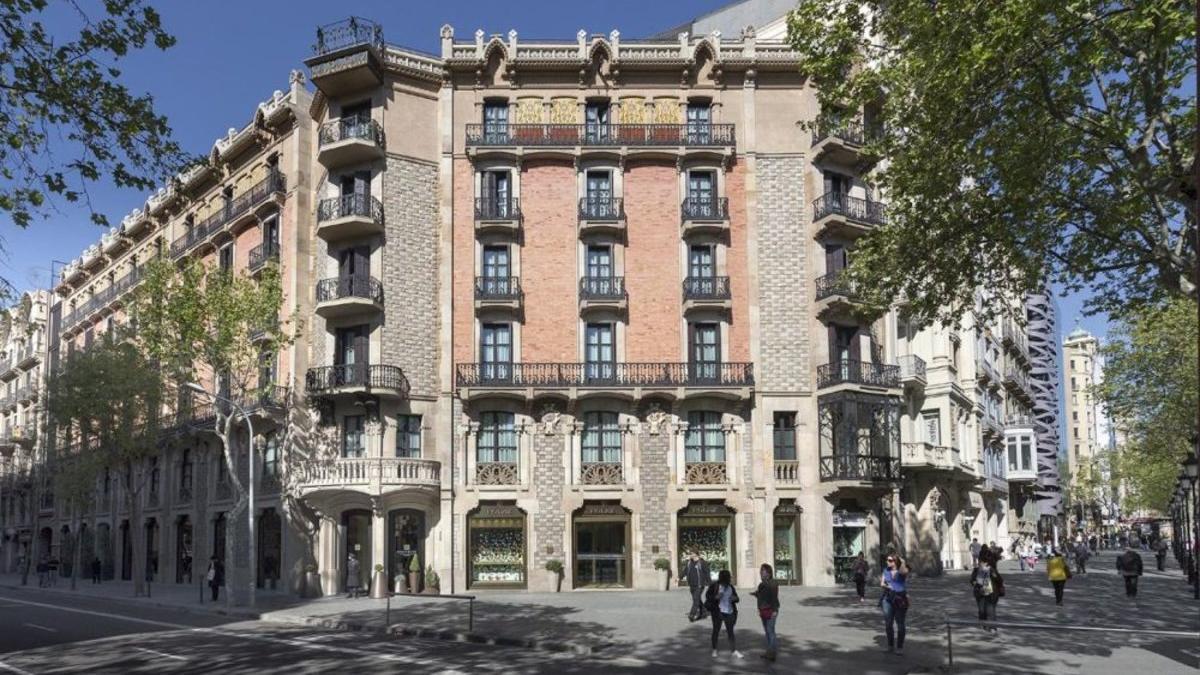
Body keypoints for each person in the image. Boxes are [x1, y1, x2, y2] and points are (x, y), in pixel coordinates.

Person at [704, 569, 743, 659]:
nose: (727, 581)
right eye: (727, 579)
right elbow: (708, 596)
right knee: (716, 630)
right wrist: (716, 597)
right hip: (718, 612)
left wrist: (735, 598)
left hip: (729, 612)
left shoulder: (730, 587)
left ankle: (733, 651)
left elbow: (737, 598)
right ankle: (714, 649)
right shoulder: (715, 586)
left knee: (730, 632)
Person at [879, 554, 909, 655]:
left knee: (900, 624)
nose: (888, 562)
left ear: (895, 562)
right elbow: (882, 583)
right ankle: (890, 646)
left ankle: (899, 647)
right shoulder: (886, 570)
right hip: (888, 599)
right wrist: (887, 586)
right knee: (888, 624)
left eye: (890, 560)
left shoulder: (902, 571)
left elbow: (904, 571)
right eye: (887, 560)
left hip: (900, 599)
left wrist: (902, 561)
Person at [750, 563, 780, 661]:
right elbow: (761, 595)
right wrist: (755, 594)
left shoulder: (772, 583)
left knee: (770, 631)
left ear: (769, 573)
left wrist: (775, 610)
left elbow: (774, 598)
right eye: (761, 571)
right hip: (763, 610)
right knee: (767, 631)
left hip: (771, 610)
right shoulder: (762, 584)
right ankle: (770, 651)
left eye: (763, 571)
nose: (761, 573)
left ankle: (771, 652)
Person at [971, 559, 1002, 626]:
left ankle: (992, 626)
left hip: (991, 593)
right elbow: (972, 580)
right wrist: (975, 583)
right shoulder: (976, 570)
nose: (982, 563)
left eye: (984, 562)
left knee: (990, 610)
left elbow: (999, 580)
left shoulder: (992, 570)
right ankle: (983, 624)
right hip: (980, 592)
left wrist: (995, 576)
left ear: (987, 563)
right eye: (981, 562)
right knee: (981, 610)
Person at [684, 549, 712, 622]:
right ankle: (704, 611)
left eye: (691, 553)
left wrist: (710, 584)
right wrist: (678, 578)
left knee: (696, 600)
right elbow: (685, 571)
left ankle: (692, 615)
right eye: (690, 553)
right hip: (692, 585)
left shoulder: (702, 563)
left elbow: (707, 573)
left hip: (700, 585)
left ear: (695, 554)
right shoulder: (689, 563)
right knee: (697, 599)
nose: (690, 555)